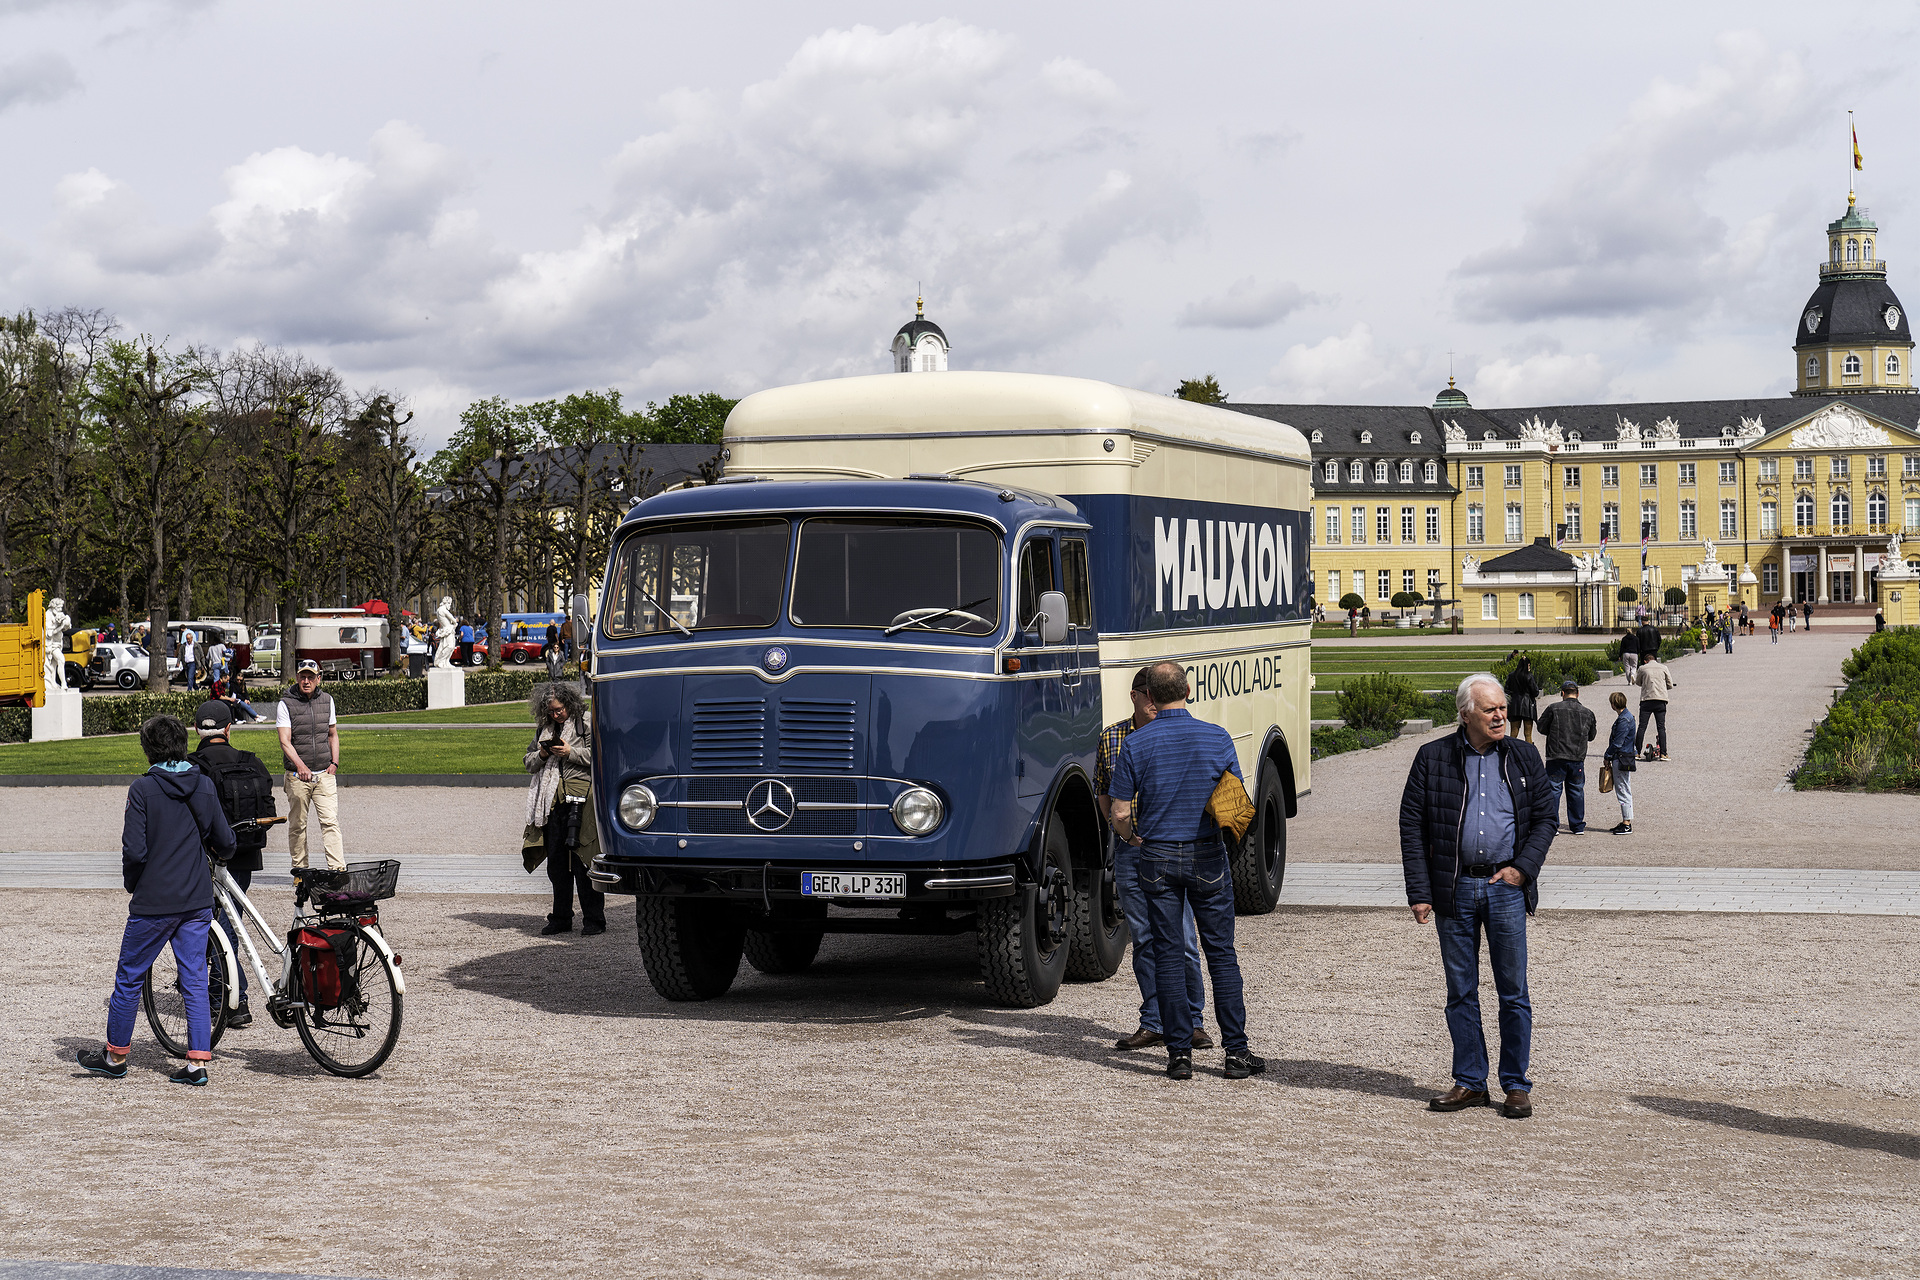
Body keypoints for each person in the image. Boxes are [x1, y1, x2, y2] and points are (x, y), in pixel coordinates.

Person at [1398, 674, 1555, 1121]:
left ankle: (1515, 1086)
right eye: (1491, 710)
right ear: (1466, 713)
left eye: (1502, 708)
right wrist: (1420, 891)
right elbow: (1412, 827)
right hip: (1454, 888)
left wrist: (1521, 870)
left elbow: (1546, 817)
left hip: (1505, 888)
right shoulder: (1433, 757)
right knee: (1461, 991)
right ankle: (1469, 1081)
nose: (1501, 716)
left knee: (1513, 990)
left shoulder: (1524, 756)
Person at [1108, 661, 1263, 1082]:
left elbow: (1120, 811)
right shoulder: (1216, 736)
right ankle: (1236, 1052)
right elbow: (1235, 802)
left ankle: (1178, 1055)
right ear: (1189, 690)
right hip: (1206, 854)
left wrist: (1131, 835)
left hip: (1156, 855)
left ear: (1150, 697)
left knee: (1167, 953)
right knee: (1221, 954)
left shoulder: (1136, 744)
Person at [77, 715, 237, 1086]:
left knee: (129, 978)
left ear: (148, 748)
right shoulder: (202, 784)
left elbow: (134, 850)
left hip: (154, 899)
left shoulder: (143, 789)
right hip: (196, 897)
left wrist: (134, 884)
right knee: (195, 978)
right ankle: (197, 1062)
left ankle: (115, 1055)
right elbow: (225, 840)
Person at [1097, 665, 1211, 1053]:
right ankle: (1155, 1020)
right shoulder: (1112, 738)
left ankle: (1192, 1021)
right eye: (1148, 695)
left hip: (1170, 850)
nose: (1155, 703)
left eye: (1158, 695)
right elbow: (1103, 791)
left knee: (1182, 940)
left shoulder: (1178, 732)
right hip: (1131, 852)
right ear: (1135, 696)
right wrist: (1122, 832)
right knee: (1144, 938)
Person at [189, 700, 276, 1027]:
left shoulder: (192, 766)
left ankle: (231, 1000)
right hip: (245, 855)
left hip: (207, 858)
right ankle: (228, 995)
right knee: (230, 925)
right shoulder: (251, 762)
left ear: (197, 729)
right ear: (228, 729)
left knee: (215, 929)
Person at [522, 682, 604, 935]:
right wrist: (544, 755)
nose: (555, 715)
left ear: (569, 704)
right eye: (550, 711)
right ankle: (560, 918)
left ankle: (594, 920)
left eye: (559, 710)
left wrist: (570, 752)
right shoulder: (544, 729)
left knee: (583, 860)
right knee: (557, 863)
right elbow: (528, 761)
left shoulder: (586, 723)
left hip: (582, 797)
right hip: (551, 802)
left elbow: (601, 755)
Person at [277, 659, 345, 874]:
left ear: (318, 678)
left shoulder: (327, 700)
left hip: (324, 773)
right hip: (298, 776)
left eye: (310, 677)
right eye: (302, 677)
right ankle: (300, 870)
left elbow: (332, 734)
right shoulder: (286, 704)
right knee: (298, 825)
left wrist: (334, 763)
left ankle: (337, 870)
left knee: (330, 822)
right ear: (297, 677)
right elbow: (285, 741)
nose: (306, 681)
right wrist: (301, 766)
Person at [1535, 679, 1596, 835]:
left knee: (1554, 791)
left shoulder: (1553, 708)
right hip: (1577, 757)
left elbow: (1541, 728)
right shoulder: (1587, 712)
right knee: (1576, 791)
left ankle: (1552, 825)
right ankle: (1577, 826)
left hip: (1556, 756)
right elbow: (1591, 736)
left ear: (1562, 693)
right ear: (1577, 693)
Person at [1604, 691, 1636, 835]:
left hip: (1621, 757)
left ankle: (1627, 823)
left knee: (1622, 789)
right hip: (1626, 755)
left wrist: (1607, 755)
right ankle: (1626, 820)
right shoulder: (1629, 716)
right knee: (1624, 788)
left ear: (1613, 704)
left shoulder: (1623, 720)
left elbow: (1618, 742)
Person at [1634, 654, 1676, 761]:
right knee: (1661, 727)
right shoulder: (1664, 668)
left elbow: (1638, 682)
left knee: (1642, 726)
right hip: (1660, 700)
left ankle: (1637, 752)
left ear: (1645, 661)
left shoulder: (1642, 668)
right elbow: (1670, 684)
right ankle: (1663, 753)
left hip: (1646, 700)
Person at [1503, 655, 1539, 744]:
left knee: (1514, 732)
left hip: (1515, 705)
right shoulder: (1529, 676)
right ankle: (1529, 751)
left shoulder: (1511, 675)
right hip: (1527, 706)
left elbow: (1506, 689)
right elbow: (1535, 691)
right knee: (1528, 734)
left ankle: (1510, 749)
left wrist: (1513, 693)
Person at [180, 627, 198, 693]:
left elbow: (200, 654)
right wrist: (179, 661)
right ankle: (196, 688)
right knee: (190, 678)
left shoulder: (196, 645)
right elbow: (180, 654)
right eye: (187, 639)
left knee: (190, 677)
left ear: (192, 638)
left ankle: (189, 690)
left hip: (192, 662)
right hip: (186, 663)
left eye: (189, 639)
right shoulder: (184, 646)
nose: (188, 640)